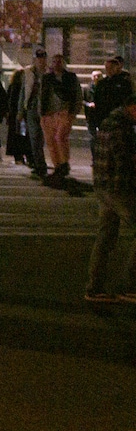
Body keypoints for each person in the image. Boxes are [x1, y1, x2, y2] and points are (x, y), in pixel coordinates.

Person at [88, 87, 136, 303]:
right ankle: (131, 286)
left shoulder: (108, 123)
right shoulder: (121, 128)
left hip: (103, 186)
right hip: (119, 188)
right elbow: (125, 160)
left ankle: (94, 288)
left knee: (105, 237)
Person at [35, 52, 83, 186]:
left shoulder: (71, 77)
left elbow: (77, 94)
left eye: (59, 61)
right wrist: (41, 113)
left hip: (64, 112)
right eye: (54, 61)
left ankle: (64, 163)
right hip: (48, 113)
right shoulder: (47, 78)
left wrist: (74, 111)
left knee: (60, 137)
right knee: (50, 140)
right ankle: (57, 166)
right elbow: (41, 95)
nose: (57, 64)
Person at [88, 54, 131, 155]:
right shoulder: (102, 84)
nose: (108, 70)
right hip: (104, 118)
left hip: (119, 119)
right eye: (107, 68)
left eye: (111, 68)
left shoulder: (124, 83)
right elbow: (97, 101)